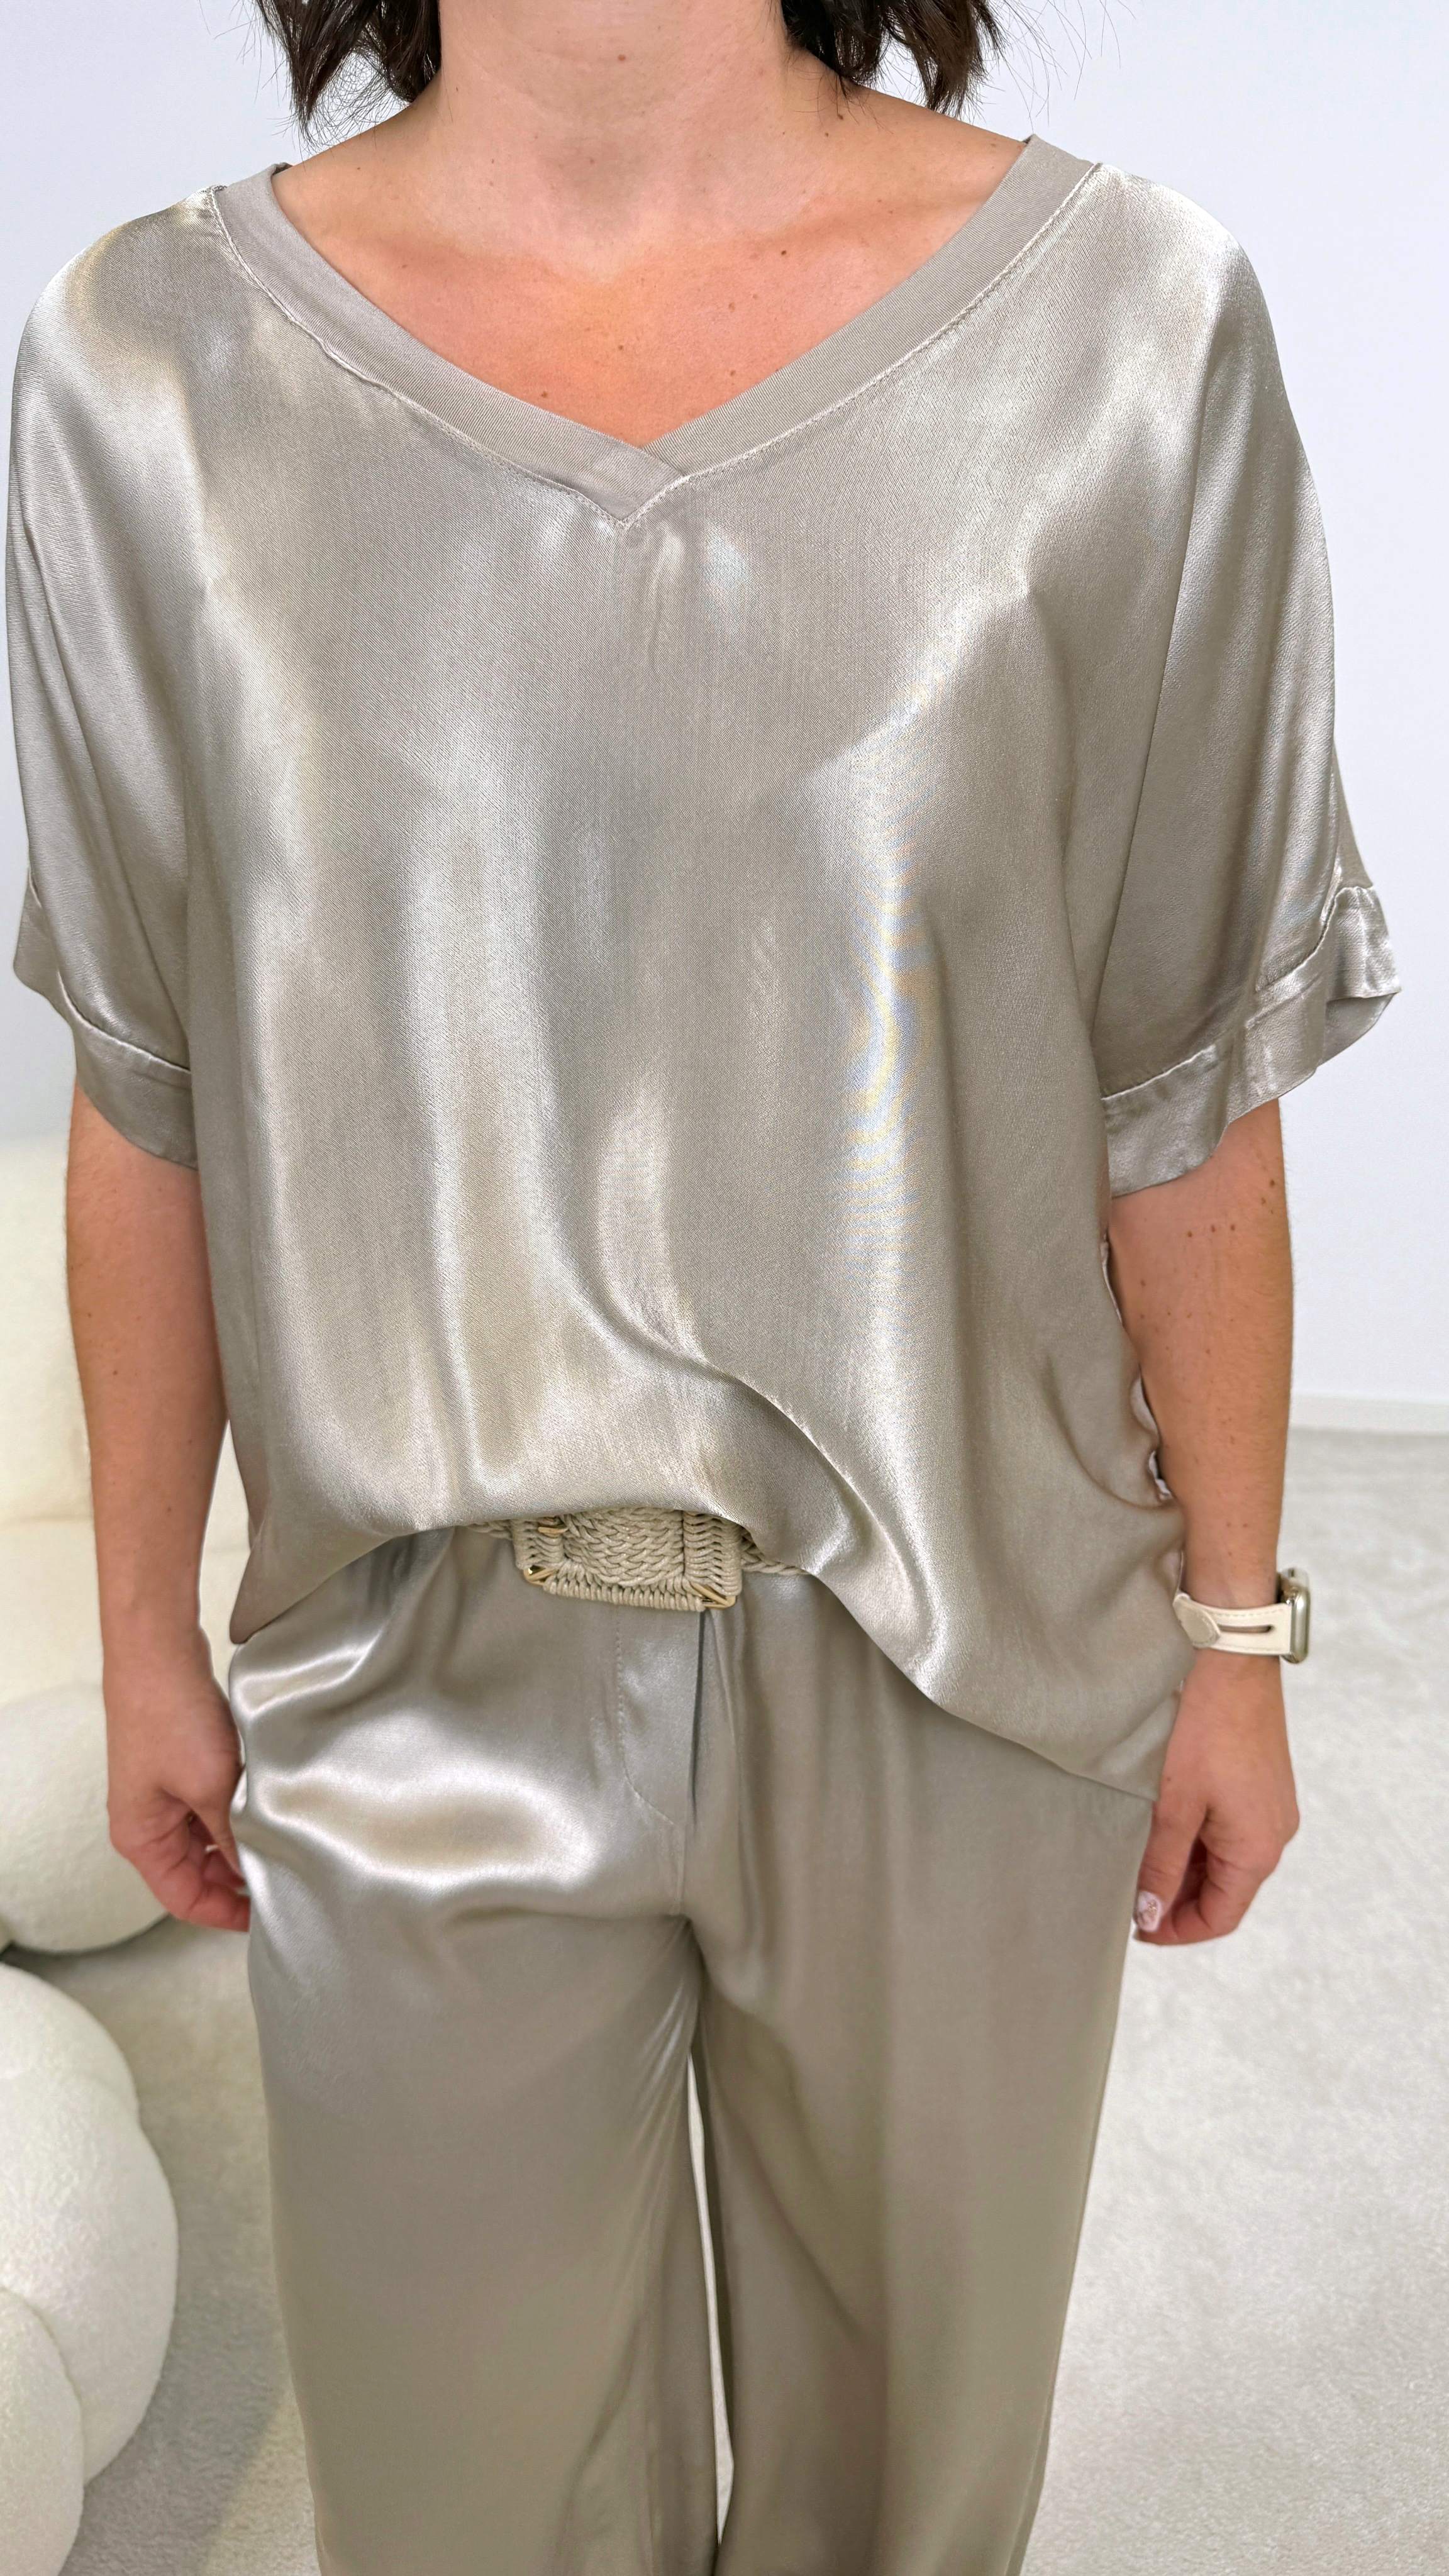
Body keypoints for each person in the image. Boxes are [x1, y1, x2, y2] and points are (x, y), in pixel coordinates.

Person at [6, 1, 1400, 2569]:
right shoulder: (148, 372)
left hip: (971, 1674)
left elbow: (1185, 1074)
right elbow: (148, 1073)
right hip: (408, 1675)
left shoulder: (1127, 336)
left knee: (911, 2520)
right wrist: (141, 1637)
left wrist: (1234, 1634)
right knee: (455, 2518)